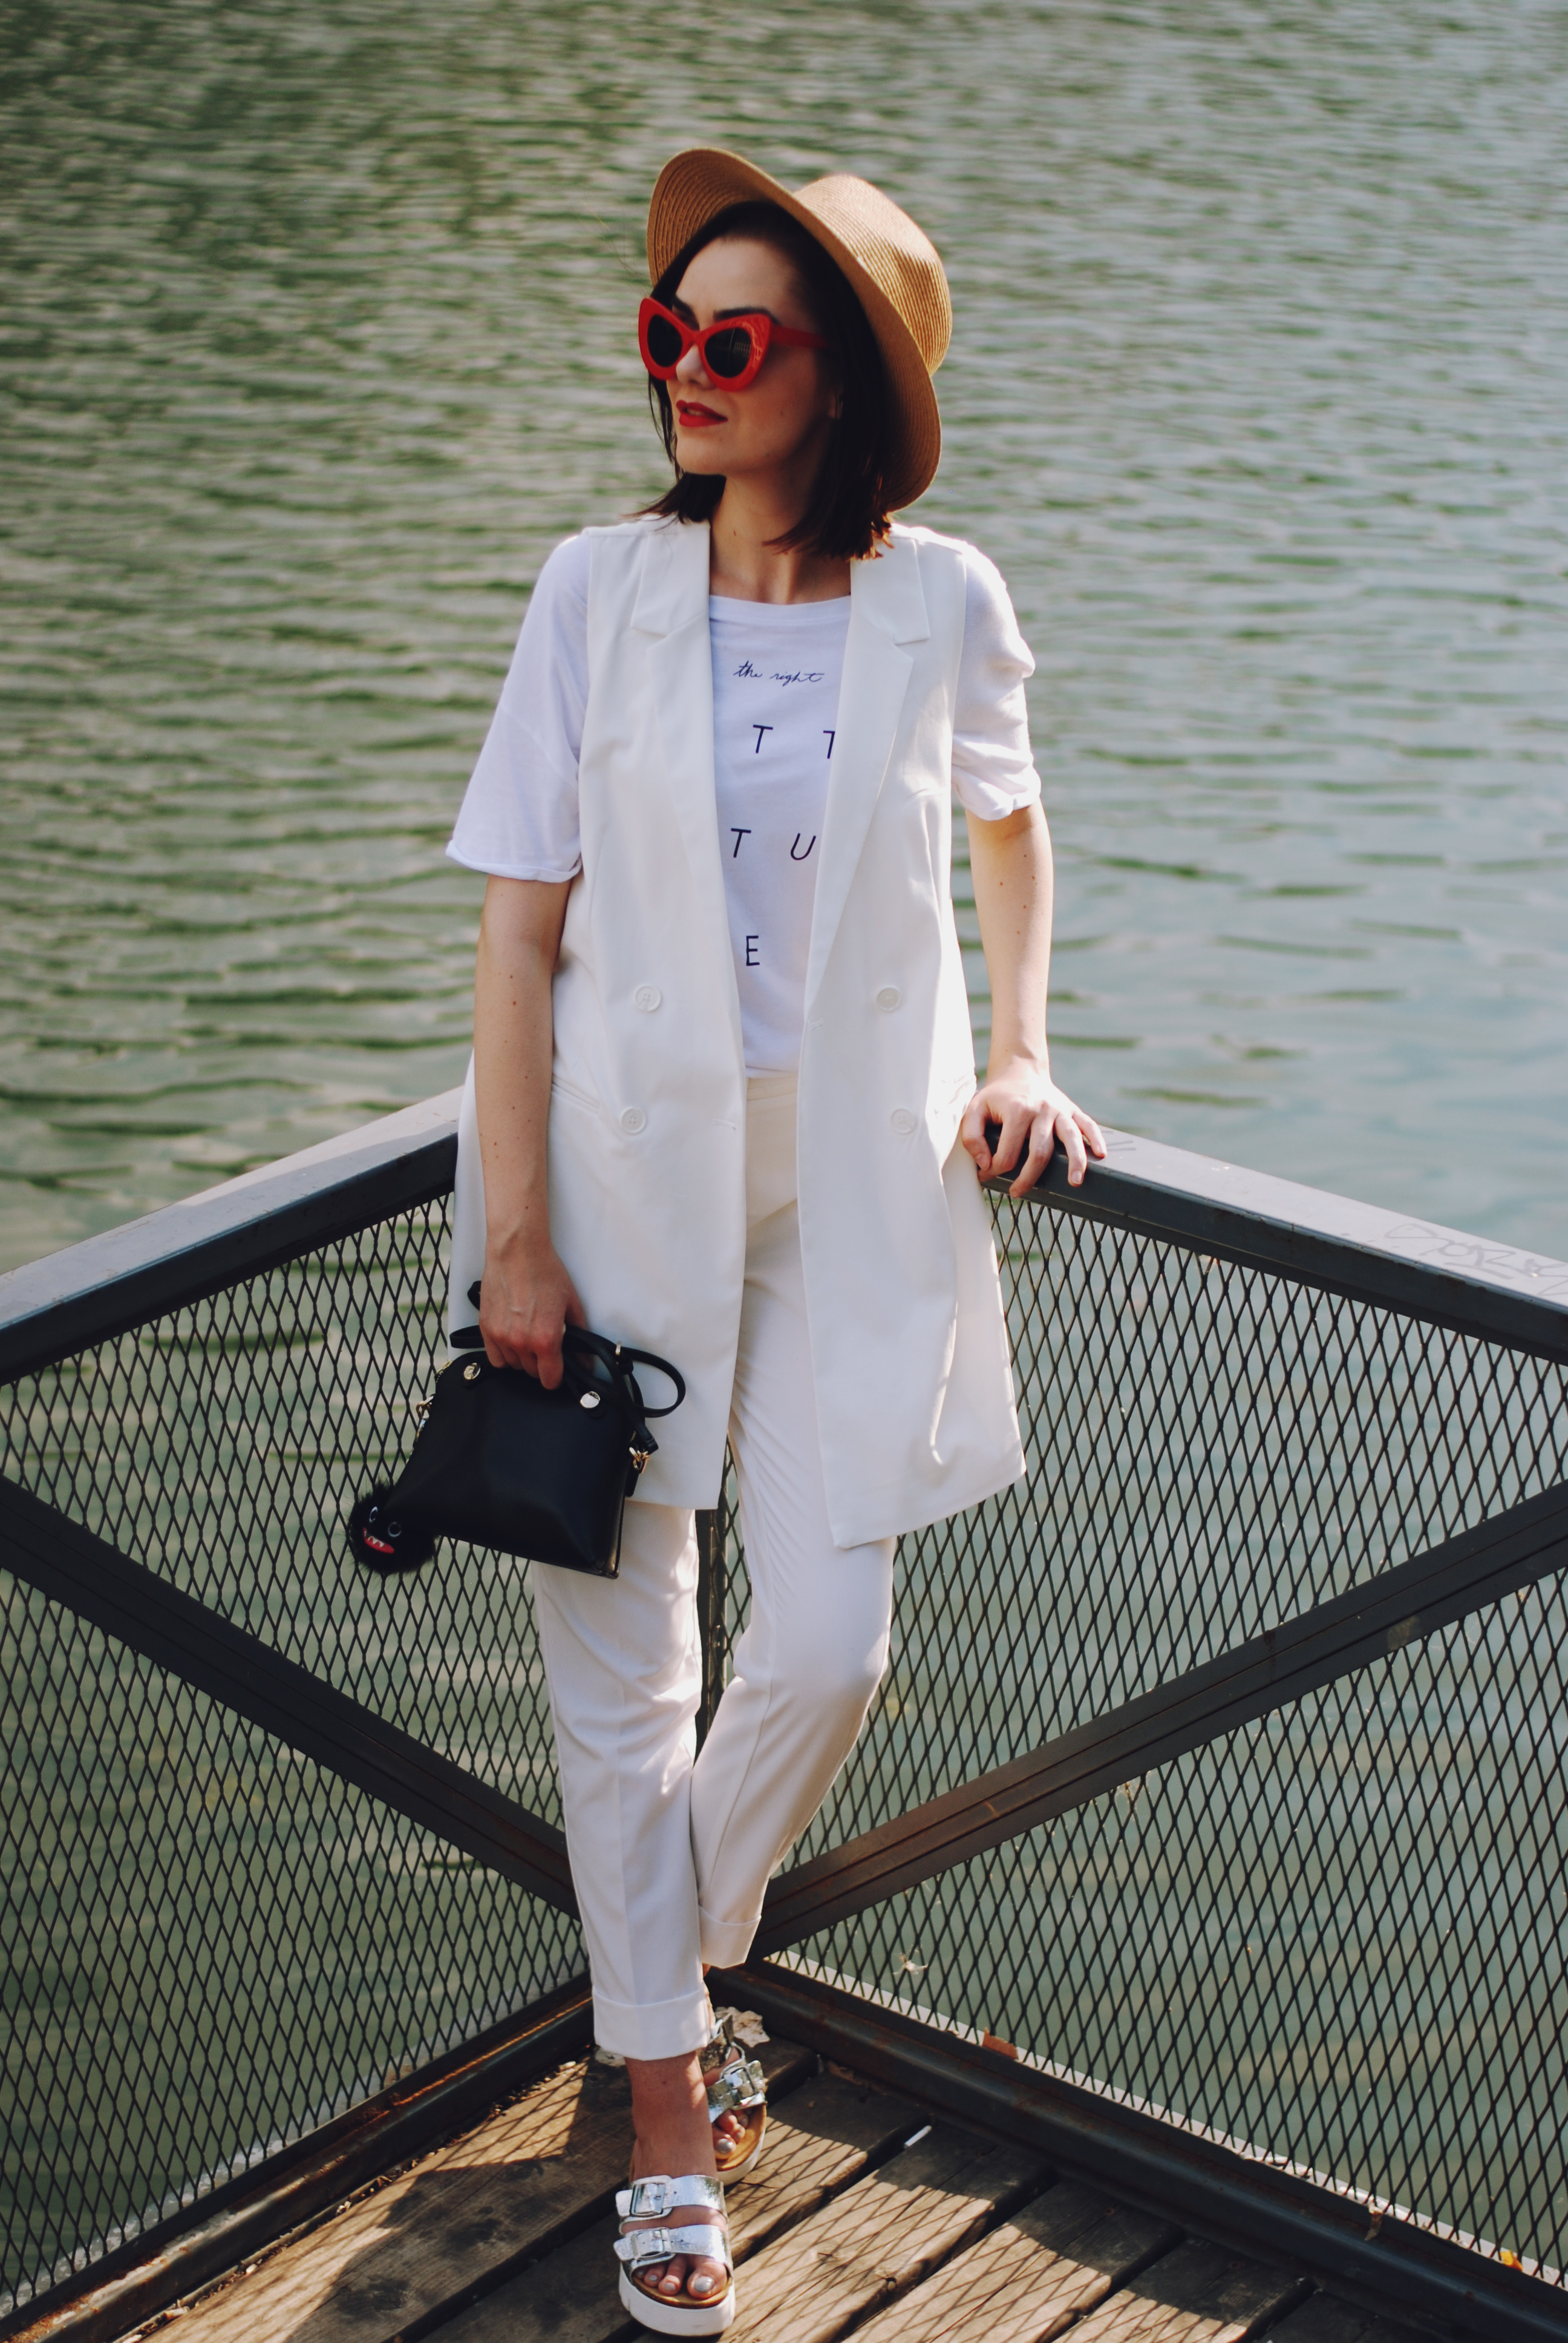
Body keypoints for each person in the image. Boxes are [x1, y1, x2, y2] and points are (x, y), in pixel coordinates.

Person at [443, 147, 1103, 2338]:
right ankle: (664, 2104)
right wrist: (515, 1245)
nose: (689, 374)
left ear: (845, 387)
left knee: (828, 1648)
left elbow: (1010, 829)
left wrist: (1024, 1044)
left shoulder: (948, 602)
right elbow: (517, 937)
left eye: (738, 342)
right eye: (668, 336)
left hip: (860, 1182)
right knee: (620, 1681)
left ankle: (660, 1967)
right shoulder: (590, 593)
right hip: (616, 1184)